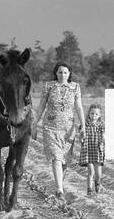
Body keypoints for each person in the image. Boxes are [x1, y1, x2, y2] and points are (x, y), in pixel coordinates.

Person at [32, 62, 84, 200]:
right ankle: (60, 190)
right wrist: (35, 123)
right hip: (51, 127)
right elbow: (41, 106)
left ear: (69, 74)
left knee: (64, 160)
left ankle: (59, 186)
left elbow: (79, 108)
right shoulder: (49, 86)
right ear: (56, 73)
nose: (63, 75)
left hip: (68, 129)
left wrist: (83, 126)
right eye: (60, 72)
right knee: (56, 157)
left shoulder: (75, 87)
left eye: (65, 72)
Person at [79, 103, 105, 195]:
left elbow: (104, 137)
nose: (94, 116)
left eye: (96, 114)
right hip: (88, 151)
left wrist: (104, 143)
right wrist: (81, 139)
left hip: (97, 151)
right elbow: (81, 136)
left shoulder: (101, 126)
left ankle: (97, 183)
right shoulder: (85, 125)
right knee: (91, 171)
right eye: (92, 113)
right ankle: (89, 190)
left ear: (99, 115)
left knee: (98, 173)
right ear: (89, 114)